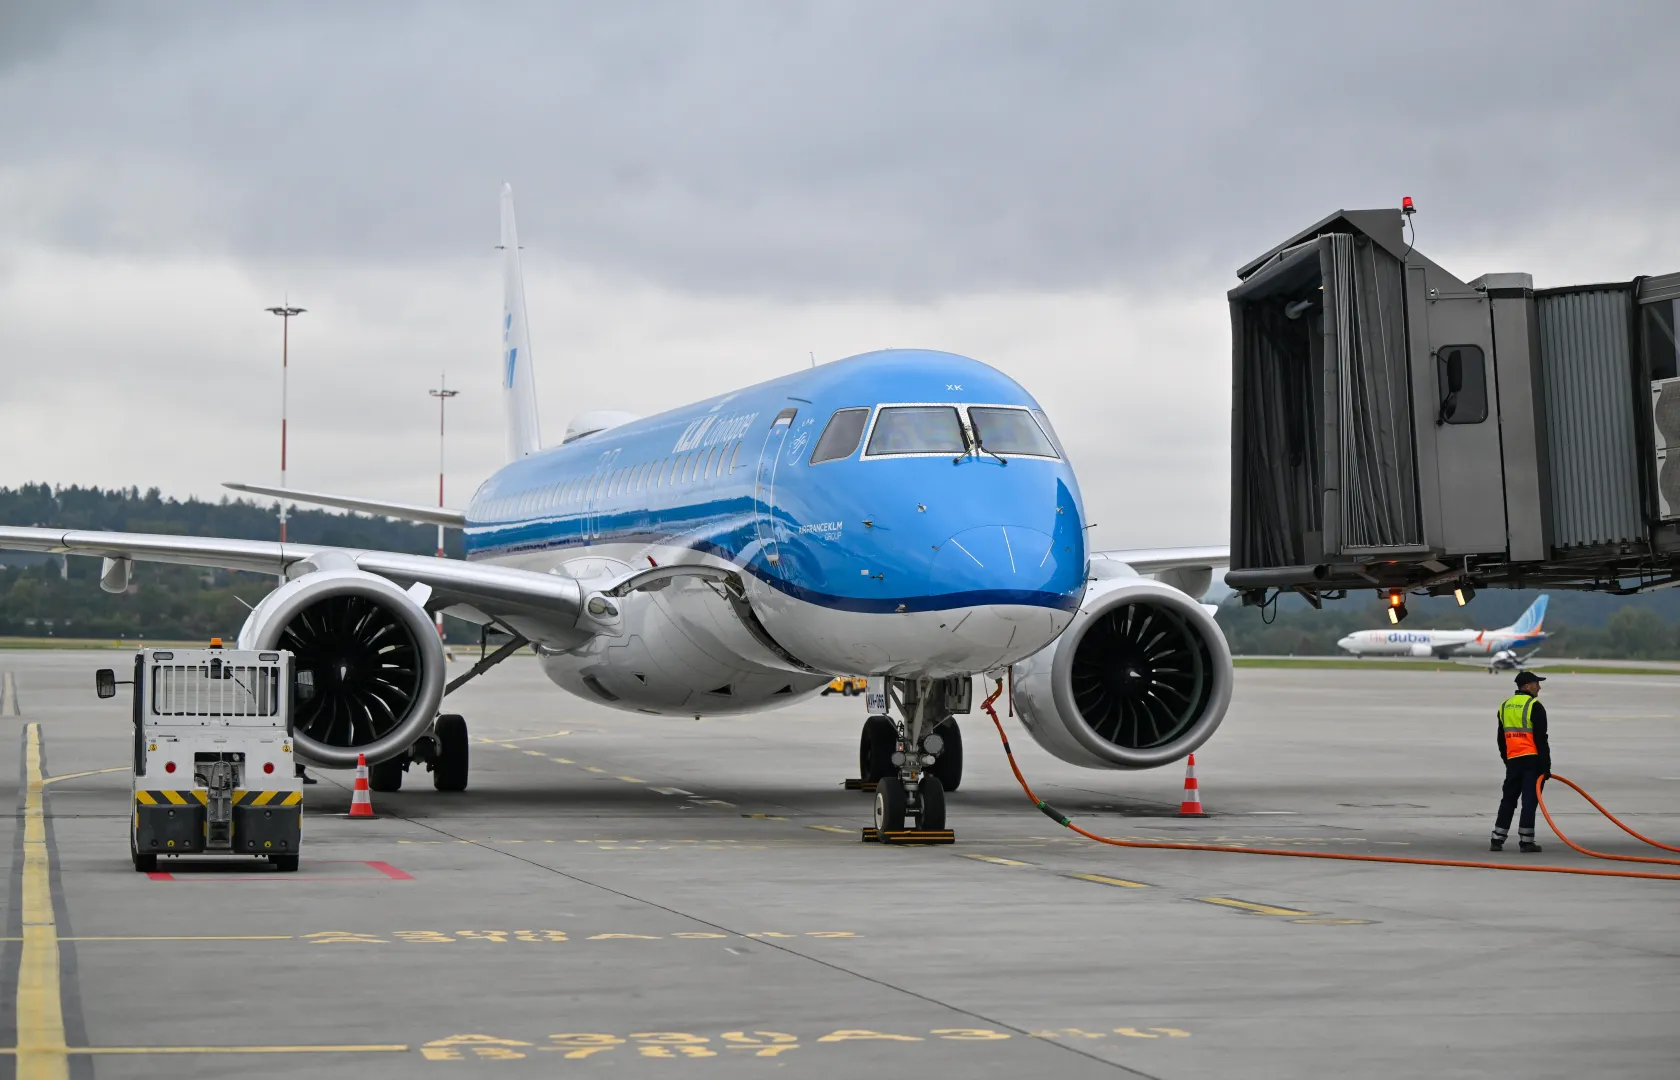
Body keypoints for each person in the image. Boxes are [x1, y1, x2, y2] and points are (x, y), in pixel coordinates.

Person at [1491, 671, 1550, 853]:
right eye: (1536, 684)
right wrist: (1546, 766)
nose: (1539, 687)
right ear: (1527, 686)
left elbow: (1501, 738)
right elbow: (1541, 738)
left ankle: (1497, 839)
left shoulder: (1505, 706)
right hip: (1532, 761)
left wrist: (1507, 759)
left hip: (1513, 761)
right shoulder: (1534, 706)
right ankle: (1526, 841)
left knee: (1508, 799)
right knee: (1529, 802)